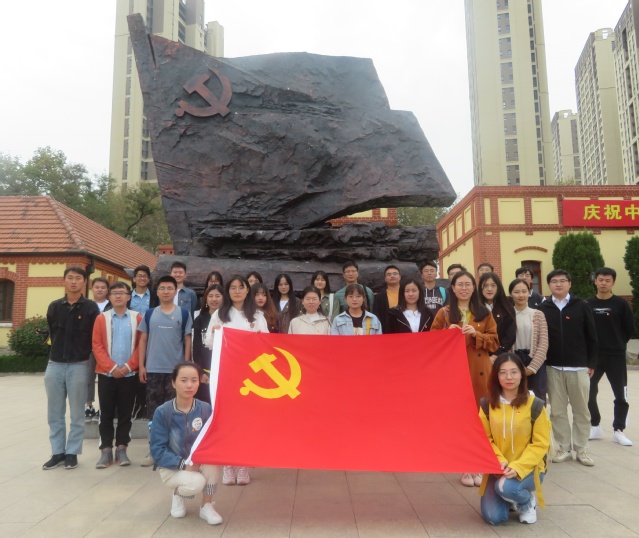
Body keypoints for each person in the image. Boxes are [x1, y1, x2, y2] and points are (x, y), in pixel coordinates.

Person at [431, 270, 499, 488]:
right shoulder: (444, 313)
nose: (464, 288)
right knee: (461, 418)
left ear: (473, 287)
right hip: (454, 372)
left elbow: (495, 342)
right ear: (452, 288)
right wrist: (446, 333)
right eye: (459, 284)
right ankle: (464, 465)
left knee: (480, 417)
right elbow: (430, 341)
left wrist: (476, 335)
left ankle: (478, 463)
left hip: (479, 370)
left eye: (468, 284)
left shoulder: (484, 313)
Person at [207, 275, 269, 486]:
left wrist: (259, 337)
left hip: (250, 375)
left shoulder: (257, 315)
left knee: (247, 420)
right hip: (227, 373)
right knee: (227, 419)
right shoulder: (220, 314)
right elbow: (209, 343)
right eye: (232, 288)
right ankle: (228, 464)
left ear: (247, 290)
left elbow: (266, 343)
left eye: (240, 287)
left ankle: (243, 464)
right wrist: (215, 333)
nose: (236, 291)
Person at [479, 353, 551, 526]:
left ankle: (526, 501)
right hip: (498, 468)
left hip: (529, 468)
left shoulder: (535, 405)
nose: (509, 377)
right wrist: (499, 460)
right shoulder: (487, 404)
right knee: (493, 517)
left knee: (506, 488)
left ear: (522, 374)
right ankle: (509, 498)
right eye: (503, 372)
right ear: (496, 376)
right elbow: (484, 438)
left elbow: (541, 443)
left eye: (514, 372)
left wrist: (518, 467)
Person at [150, 362, 223, 526]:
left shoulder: (205, 409)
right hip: (172, 467)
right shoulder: (163, 412)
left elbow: (213, 438)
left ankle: (206, 506)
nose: (189, 385)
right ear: (173, 383)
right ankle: (178, 494)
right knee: (196, 482)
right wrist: (183, 464)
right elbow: (157, 450)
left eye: (194, 380)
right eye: (183, 380)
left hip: (198, 462)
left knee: (213, 464)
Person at [538, 269, 598, 466]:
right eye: (554, 281)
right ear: (549, 285)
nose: (558, 284)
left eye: (562, 281)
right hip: (553, 367)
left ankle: (582, 449)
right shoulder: (543, 308)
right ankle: (563, 447)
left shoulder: (581, 306)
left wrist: (591, 363)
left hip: (578, 367)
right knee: (557, 411)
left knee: (582, 410)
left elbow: (592, 336)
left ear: (569, 284)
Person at [43, 267, 100, 470]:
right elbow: (52, 332)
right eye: (70, 278)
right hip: (55, 364)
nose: (73, 281)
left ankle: (72, 452)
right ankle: (57, 452)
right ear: (64, 281)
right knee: (54, 412)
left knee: (77, 413)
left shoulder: (91, 308)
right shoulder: (55, 306)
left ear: (84, 282)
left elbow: (94, 337)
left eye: (78, 278)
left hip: (79, 364)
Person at [138, 275, 193, 467]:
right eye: (162, 288)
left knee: (175, 412)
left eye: (170, 288)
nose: (166, 291)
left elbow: (187, 340)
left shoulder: (183, 314)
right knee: (154, 414)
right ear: (157, 291)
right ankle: (155, 451)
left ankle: (175, 451)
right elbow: (143, 340)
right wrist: (142, 365)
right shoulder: (149, 314)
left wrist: (185, 366)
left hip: (175, 372)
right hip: (153, 369)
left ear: (175, 291)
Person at [92, 282, 142, 468]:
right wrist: (112, 368)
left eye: (122, 293)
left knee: (125, 414)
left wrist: (128, 367)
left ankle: (122, 449)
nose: (118, 296)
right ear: (109, 297)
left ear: (129, 297)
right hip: (107, 375)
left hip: (129, 375)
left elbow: (141, 345)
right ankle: (105, 450)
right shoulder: (101, 319)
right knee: (105, 413)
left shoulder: (137, 318)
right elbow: (97, 345)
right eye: (114, 293)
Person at [586, 267, 635, 446]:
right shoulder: (587, 304)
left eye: (607, 280)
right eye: (600, 280)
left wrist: (618, 343)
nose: (603, 283)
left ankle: (618, 430)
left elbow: (629, 328)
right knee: (588, 392)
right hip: (594, 357)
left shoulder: (621, 304)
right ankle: (595, 425)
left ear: (613, 283)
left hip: (616, 355)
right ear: (595, 281)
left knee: (620, 394)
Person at [509, 279, 549, 402]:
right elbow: (505, 342)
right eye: (516, 292)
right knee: (516, 397)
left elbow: (543, 343)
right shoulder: (507, 315)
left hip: (535, 360)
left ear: (529, 293)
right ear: (510, 294)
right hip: (514, 360)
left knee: (537, 399)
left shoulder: (538, 314)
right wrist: (514, 365)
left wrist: (532, 368)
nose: (520, 295)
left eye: (524, 291)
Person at [128, 264, 159, 421]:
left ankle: (143, 404)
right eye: (139, 276)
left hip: (149, 337)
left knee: (145, 369)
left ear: (149, 279)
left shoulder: (154, 296)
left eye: (145, 276)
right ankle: (132, 404)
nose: (142, 278)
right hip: (130, 337)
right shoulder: (127, 296)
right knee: (131, 369)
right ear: (134, 279)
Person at [85, 277, 113, 423]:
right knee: (88, 377)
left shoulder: (112, 305)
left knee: (106, 378)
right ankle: (88, 406)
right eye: (97, 287)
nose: (100, 289)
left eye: (103, 287)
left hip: (108, 348)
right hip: (89, 347)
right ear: (92, 288)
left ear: (107, 290)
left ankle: (104, 407)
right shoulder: (86, 306)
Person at [192, 284, 223, 405]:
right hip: (205, 371)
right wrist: (200, 372)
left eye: (217, 296)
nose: (214, 299)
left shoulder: (227, 319)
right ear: (205, 298)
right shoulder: (199, 320)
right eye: (210, 296)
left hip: (223, 371)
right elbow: (196, 348)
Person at [479, 272, 516, 360]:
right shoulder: (474, 308)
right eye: (485, 285)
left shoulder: (507, 307)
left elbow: (510, 335)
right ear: (480, 288)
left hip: (500, 356)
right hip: (479, 356)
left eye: (493, 285)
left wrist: (496, 355)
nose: (489, 289)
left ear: (498, 287)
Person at [373, 265, 401, 332]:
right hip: (387, 330)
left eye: (395, 274)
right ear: (385, 279)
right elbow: (377, 316)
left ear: (400, 277)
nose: (392, 276)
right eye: (389, 274)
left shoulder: (407, 293)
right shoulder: (380, 297)